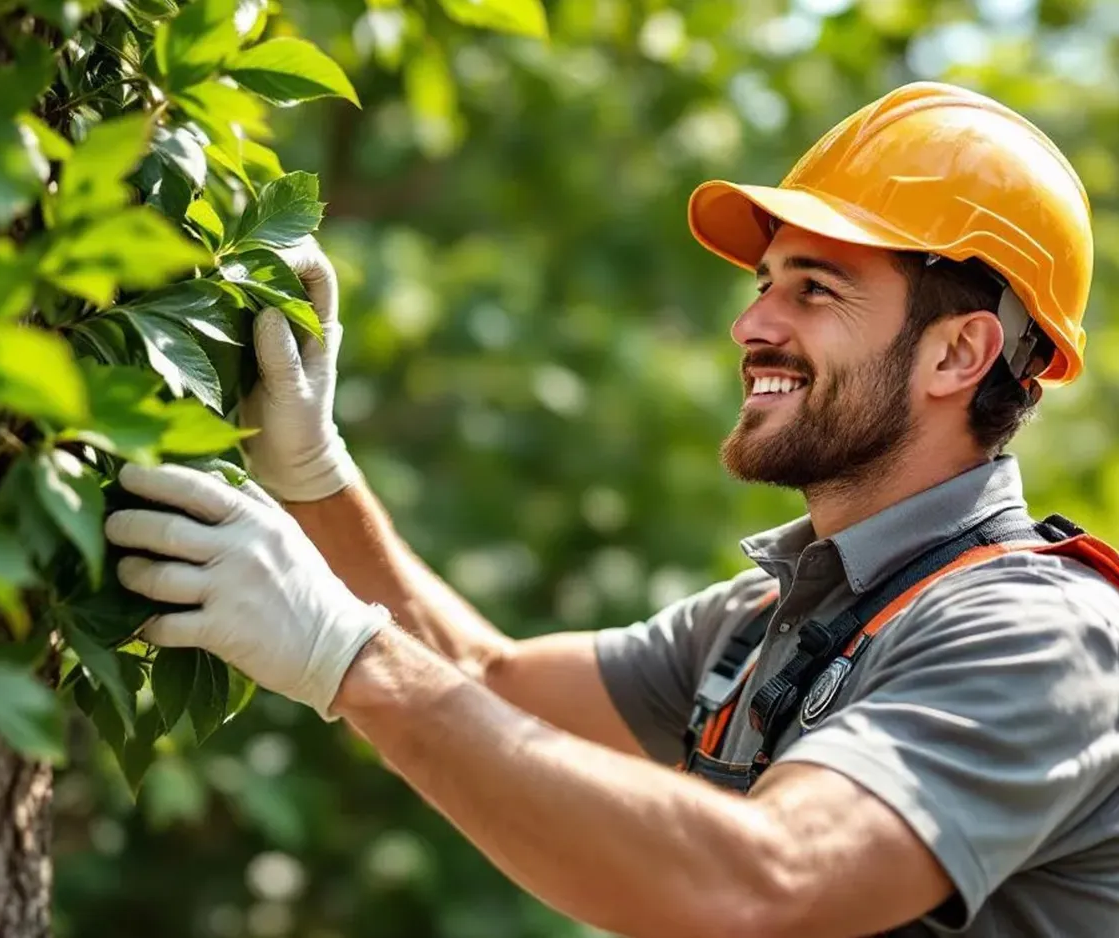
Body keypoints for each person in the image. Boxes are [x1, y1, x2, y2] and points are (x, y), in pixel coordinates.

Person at [103, 82, 1119, 937]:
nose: (751, 321)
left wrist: (353, 659)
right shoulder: (771, 622)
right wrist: (314, 473)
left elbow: (763, 880)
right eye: (766, 282)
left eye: (815, 290)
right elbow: (485, 678)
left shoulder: (1040, 638)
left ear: (959, 353)